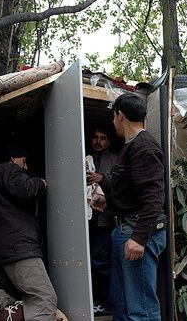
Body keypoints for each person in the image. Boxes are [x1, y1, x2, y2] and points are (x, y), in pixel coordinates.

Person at [91, 93, 167, 321]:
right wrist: (109, 201)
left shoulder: (144, 146)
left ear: (119, 115)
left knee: (141, 309)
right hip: (125, 229)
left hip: (137, 232)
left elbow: (154, 196)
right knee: (122, 305)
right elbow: (131, 190)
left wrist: (140, 238)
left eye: (114, 116)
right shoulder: (130, 146)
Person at [0, 142, 58, 321]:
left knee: (15, 295)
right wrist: (42, 183)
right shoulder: (7, 169)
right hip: (18, 250)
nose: (26, 167)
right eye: (24, 161)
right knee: (44, 297)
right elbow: (24, 188)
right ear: (13, 158)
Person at [86, 127, 117, 314]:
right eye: (95, 137)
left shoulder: (115, 159)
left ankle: (103, 303)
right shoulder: (83, 157)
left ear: (109, 141)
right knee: (86, 261)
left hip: (105, 220)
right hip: (84, 220)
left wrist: (102, 178)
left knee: (102, 262)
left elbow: (123, 184)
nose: (99, 141)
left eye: (103, 138)